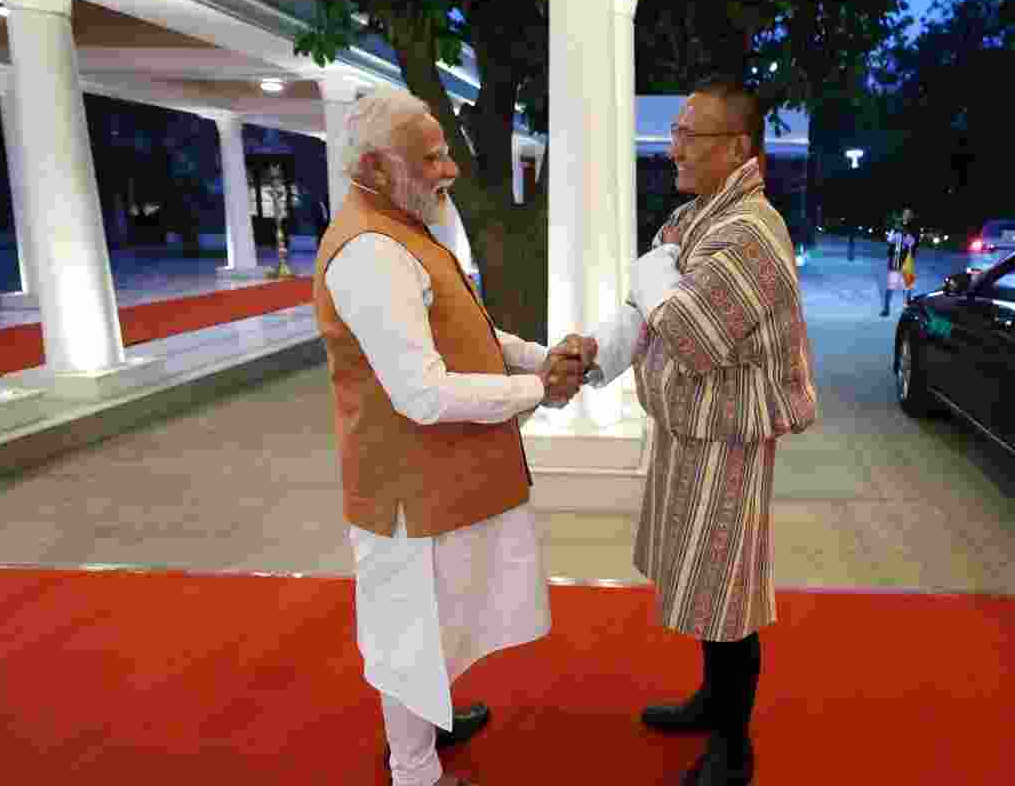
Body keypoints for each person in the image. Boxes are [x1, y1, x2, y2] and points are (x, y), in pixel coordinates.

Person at [312, 89, 593, 786]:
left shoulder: (406, 224)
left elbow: (466, 327)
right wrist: (541, 390)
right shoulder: (371, 250)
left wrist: (533, 356)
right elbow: (424, 390)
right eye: (431, 157)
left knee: (441, 617)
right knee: (408, 634)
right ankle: (415, 771)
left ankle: (430, 720)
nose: (449, 170)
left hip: (440, 476)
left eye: (445, 153)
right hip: (403, 490)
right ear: (377, 168)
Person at [571, 76, 819, 786]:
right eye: (675, 131)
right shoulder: (698, 217)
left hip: (729, 441)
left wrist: (655, 275)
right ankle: (714, 701)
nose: (672, 146)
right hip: (691, 434)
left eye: (689, 135)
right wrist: (591, 353)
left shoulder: (750, 232)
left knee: (729, 594)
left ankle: (735, 747)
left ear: (737, 147)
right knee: (707, 583)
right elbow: (643, 308)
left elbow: (687, 330)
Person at [881, 213, 916, 316]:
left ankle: (908, 309)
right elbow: (889, 239)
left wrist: (904, 233)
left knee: (908, 288)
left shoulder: (909, 237)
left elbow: (911, 243)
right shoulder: (896, 235)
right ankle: (886, 309)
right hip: (894, 266)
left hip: (906, 267)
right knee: (890, 288)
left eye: (903, 227)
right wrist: (893, 228)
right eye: (901, 227)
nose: (902, 228)